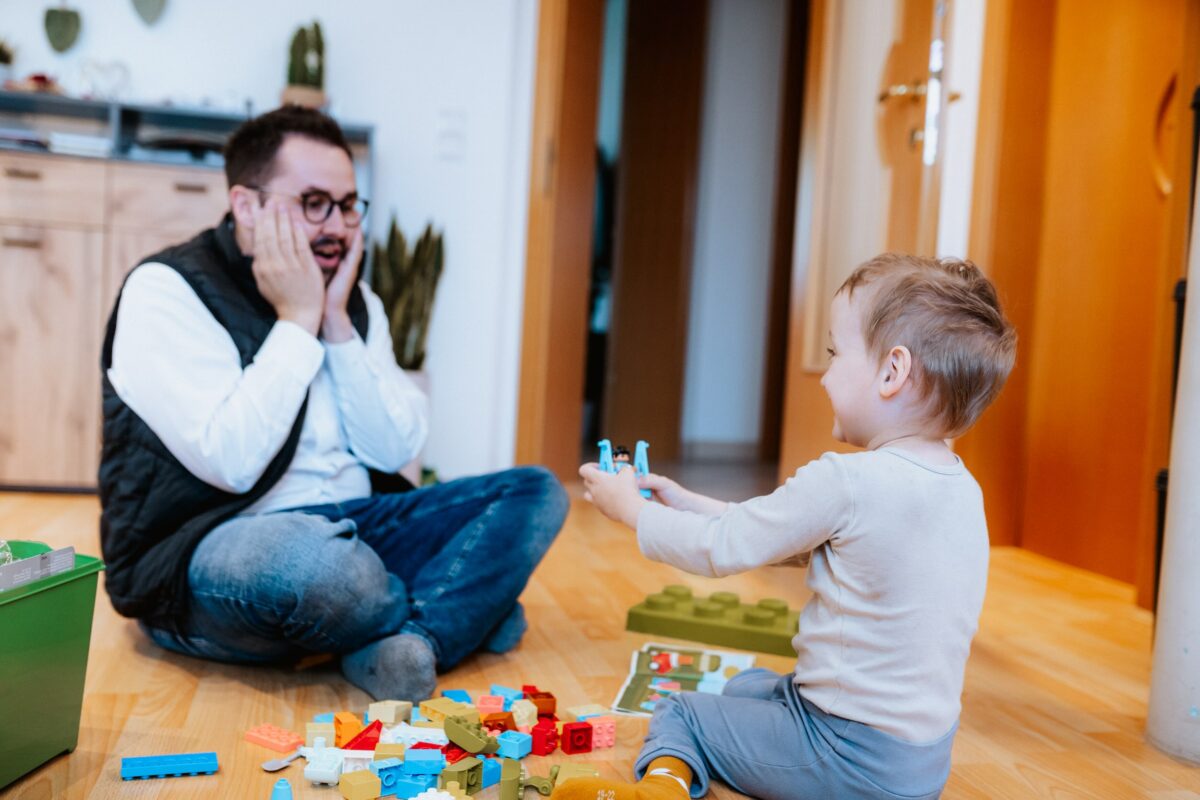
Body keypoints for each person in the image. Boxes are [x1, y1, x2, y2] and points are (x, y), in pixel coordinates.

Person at [99, 105, 568, 702]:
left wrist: (337, 323)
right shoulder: (167, 289)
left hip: (357, 527)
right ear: (247, 205)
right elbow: (231, 461)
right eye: (314, 203)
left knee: (534, 492)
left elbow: (394, 450)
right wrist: (297, 319)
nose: (340, 227)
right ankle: (455, 611)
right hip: (216, 544)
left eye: (348, 205)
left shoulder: (354, 299)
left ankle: (409, 640)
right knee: (314, 566)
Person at [571, 254, 1017, 800]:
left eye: (835, 352)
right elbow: (772, 533)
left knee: (682, 711)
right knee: (748, 686)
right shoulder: (962, 488)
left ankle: (660, 790)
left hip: (844, 753)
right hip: (917, 766)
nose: (824, 375)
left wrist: (631, 510)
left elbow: (720, 549)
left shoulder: (847, 481)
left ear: (892, 372)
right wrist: (683, 502)